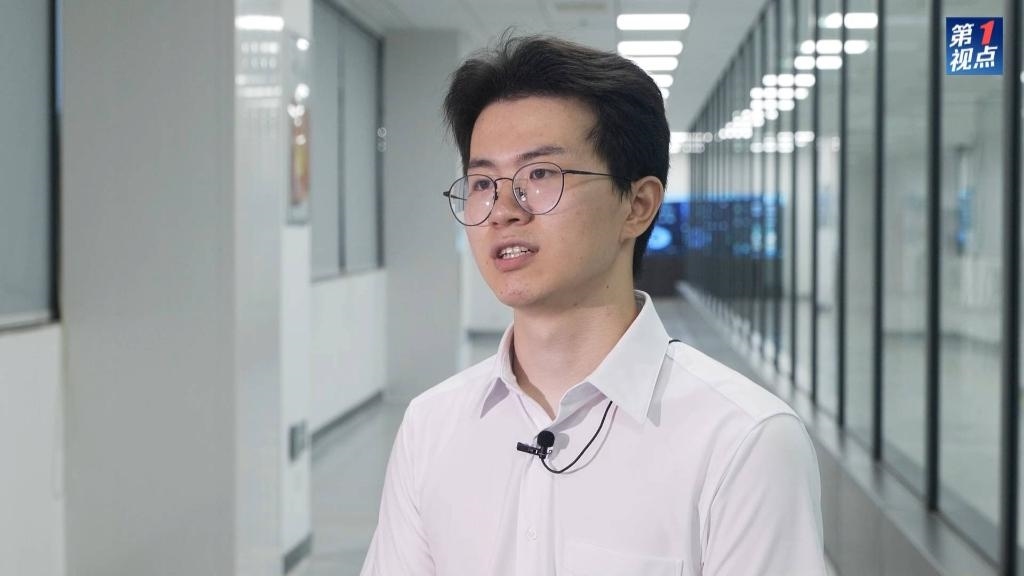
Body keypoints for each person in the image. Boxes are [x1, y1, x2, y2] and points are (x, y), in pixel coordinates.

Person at [360, 33, 826, 576]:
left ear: (638, 205)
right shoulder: (431, 426)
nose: (503, 209)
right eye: (483, 182)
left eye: (540, 174)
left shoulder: (741, 439)